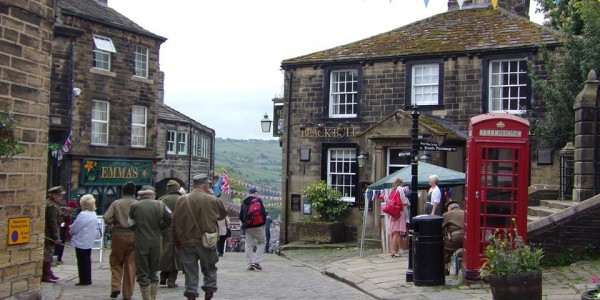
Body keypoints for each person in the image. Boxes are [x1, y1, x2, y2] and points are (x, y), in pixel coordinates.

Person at [172, 174, 227, 300]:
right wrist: (212, 195)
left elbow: (174, 223)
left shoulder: (181, 200)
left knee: (190, 271)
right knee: (210, 269)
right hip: (206, 241)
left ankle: (191, 294)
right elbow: (222, 214)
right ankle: (209, 292)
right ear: (206, 185)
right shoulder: (211, 200)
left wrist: (176, 242)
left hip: (186, 241)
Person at [129, 185, 172, 300]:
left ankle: (145, 297)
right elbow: (170, 217)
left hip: (140, 241)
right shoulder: (160, 204)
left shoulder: (134, 206)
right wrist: (161, 227)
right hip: (156, 241)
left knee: (142, 271)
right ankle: (153, 297)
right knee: (154, 270)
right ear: (152, 194)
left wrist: (137, 230)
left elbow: (130, 223)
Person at [104, 181, 137, 300]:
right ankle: (127, 294)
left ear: (123, 191)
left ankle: (115, 287)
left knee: (116, 262)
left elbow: (107, 218)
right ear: (134, 191)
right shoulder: (137, 204)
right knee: (130, 265)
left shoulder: (116, 203)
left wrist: (114, 222)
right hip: (133, 235)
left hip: (118, 235)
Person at [69, 194, 98, 286]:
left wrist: (70, 230)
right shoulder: (93, 214)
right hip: (89, 240)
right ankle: (87, 279)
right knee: (87, 260)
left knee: (81, 261)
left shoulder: (83, 214)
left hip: (81, 240)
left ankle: (83, 280)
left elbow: (75, 227)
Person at [159, 180, 182, 288]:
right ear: (177, 188)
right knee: (177, 255)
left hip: (165, 231)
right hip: (179, 230)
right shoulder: (182, 199)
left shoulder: (161, 200)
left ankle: (163, 276)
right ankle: (172, 280)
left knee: (165, 253)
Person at [239, 187, 267, 271]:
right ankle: (257, 261)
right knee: (262, 242)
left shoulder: (244, 202)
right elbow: (263, 213)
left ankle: (248, 265)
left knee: (248, 245)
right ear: (255, 193)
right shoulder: (258, 200)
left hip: (248, 227)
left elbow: (241, 216)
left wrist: (246, 223)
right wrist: (262, 223)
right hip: (258, 225)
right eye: (257, 193)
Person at [43, 186, 65, 283]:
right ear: (54, 195)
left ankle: (48, 272)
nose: (61, 197)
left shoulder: (53, 204)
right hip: (49, 234)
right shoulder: (51, 205)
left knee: (49, 253)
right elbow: (52, 222)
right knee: (47, 254)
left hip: (49, 234)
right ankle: (46, 274)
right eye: (59, 195)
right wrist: (56, 236)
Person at [385, 179, 409, 257]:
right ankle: (393, 251)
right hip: (398, 214)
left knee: (393, 233)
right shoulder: (398, 192)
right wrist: (405, 202)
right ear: (400, 184)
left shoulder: (392, 192)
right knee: (396, 233)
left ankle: (393, 250)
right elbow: (399, 203)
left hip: (392, 214)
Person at [442, 201, 464, 268]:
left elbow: (440, 226)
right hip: (467, 238)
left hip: (456, 238)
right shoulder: (464, 212)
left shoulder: (448, 214)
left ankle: (445, 268)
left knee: (442, 247)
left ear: (450, 207)